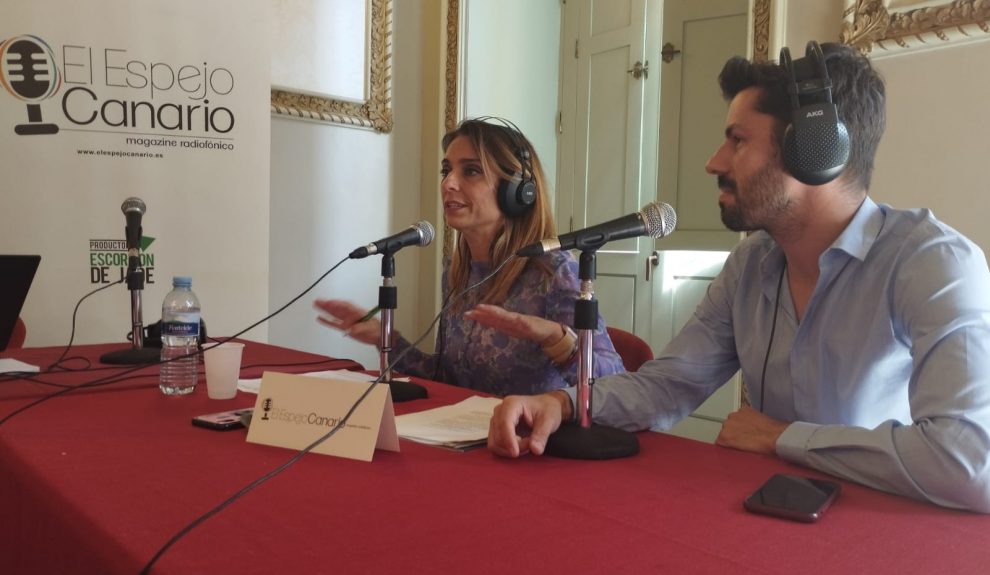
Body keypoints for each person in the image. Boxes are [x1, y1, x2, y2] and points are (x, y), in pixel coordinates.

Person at [488, 42, 990, 513]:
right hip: (773, 516)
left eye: (738, 141)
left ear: (813, 152)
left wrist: (780, 436)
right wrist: (561, 402)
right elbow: (668, 386)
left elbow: (970, 461)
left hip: (882, 534)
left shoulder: (932, 263)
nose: (714, 162)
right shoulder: (751, 264)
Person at [316, 118, 625, 397]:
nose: (448, 183)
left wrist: (555, 340)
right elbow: (448, 379)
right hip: (466, 438)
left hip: (530, 446)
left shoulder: (555, 272)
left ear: (518, 192)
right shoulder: (456, 271)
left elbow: (613, 383)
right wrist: (384, 338)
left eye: (471, 171)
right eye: (446, 170)